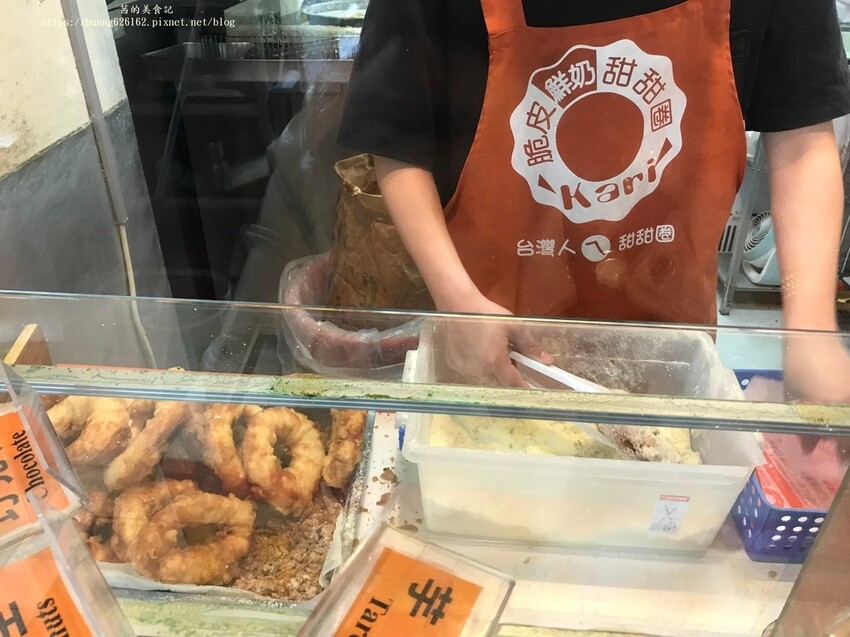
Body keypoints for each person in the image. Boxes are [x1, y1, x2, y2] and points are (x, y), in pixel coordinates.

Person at [338, 0, 850, 399]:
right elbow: (398, 140)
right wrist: (458, 304)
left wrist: (811, 334)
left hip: (667, 354)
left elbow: (801, 139)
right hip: (498, 348)